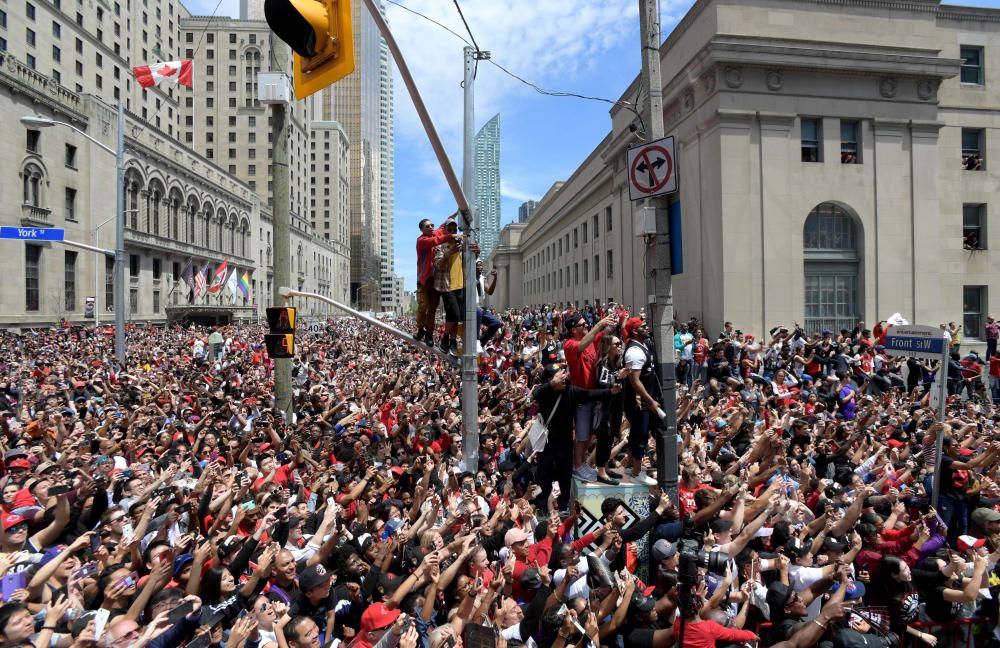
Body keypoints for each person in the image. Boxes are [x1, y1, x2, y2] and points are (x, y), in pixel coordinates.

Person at [621, 317, 660, 485]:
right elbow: (634, 380)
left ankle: (631, 466)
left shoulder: (642, 346)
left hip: (643, 399)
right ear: (635, 331)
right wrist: (650, 400)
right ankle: (637, 473)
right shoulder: (634, 351)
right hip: (639, 401)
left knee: (641, 433)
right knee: (640, 434)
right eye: (643, 326)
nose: (647, 327)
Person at [414, 218, 459, 345]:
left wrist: (456, 213)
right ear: (422, 229)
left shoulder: (436, 232)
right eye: (427, 226)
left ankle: (429, 334)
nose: (431, 227)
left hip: (435, 280)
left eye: (432, 225)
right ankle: (420, 329)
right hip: (424, 280)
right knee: (424, 306)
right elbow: (435, 240)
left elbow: (442, 226)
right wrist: (452, 235)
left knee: (433, 308)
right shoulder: (421, 240)